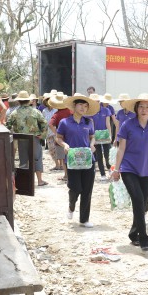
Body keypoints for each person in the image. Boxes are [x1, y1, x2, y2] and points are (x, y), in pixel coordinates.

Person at [111, 93, 148, 252]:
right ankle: (143, 237)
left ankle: (133, 233)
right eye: (141, 106)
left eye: (147, 107)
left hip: (146, 169)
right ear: (136, 109)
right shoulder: (127, 125)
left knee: (142, 204)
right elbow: (121, 148)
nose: (144, 110)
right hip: (129, 168)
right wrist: (116, 169)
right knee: (137, 199)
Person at [55, 93, 99, 228]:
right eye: (80, 104)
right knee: (75, 188)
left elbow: (93, 137)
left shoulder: (89, 122)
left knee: (87, 190)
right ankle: (71, 206)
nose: (83, 108)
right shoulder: (65, 122)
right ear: (74, 106)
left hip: (88, 160)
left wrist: (92, 144)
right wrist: (64, 145)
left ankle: (84, 219)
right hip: (73, 160)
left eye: (86, 106)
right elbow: (58, 137)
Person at [5, 90, 49, 186]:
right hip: (35, 138)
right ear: (28, 101)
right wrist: (42, 135)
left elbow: (7, 126)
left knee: (23, 159)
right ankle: (40, 181)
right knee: (37, 158)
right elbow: (44, 123)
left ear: (19, 101)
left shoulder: (14, 113)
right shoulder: (35, 111)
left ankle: (24, 183)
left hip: (21, 139)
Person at [48, 93, 71, 180]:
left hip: (62, 139)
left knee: (64, 158)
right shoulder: (70, 111)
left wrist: (56, 133)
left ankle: (66, 175)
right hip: (71, 136)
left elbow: (50, 124)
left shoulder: (56, 114)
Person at [90, 94, 112, 181]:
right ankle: (103, 174)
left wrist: (110, 135)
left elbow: (108, 123)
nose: (96, 103)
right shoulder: (90, 112)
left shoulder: (106, 110)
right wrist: (93, 138)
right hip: (96, 136)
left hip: (105, 135)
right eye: (94, 102)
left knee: (107, 155)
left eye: (97, 101)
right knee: (99, 156)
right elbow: (92, 125)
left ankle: (110, 169)